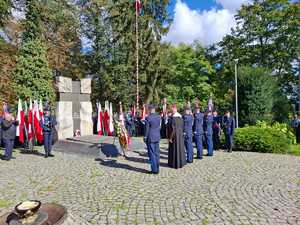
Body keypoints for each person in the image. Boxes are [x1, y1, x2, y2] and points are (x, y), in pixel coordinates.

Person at [167, 104, 186, 169]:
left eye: (172, 109)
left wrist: (170, 138)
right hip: (180, 136)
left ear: (175, 109)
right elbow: (183, 127)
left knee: (175, 150)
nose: (172, 110)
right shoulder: (180, 118)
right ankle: (181, 163)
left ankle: (174, 164)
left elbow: (173, 129)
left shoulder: (173, 118)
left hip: (174, 136)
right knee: (180, 149)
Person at [144, 105, 161, 174]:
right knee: (157, 153)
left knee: (152, 154)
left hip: (150, 137)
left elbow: (147, 129)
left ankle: (154, 170)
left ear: (150, 109)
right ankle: (157, 168)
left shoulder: (148, 118)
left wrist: (145, 137)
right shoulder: (158, 117)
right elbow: (159, 126)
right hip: (157, 136)